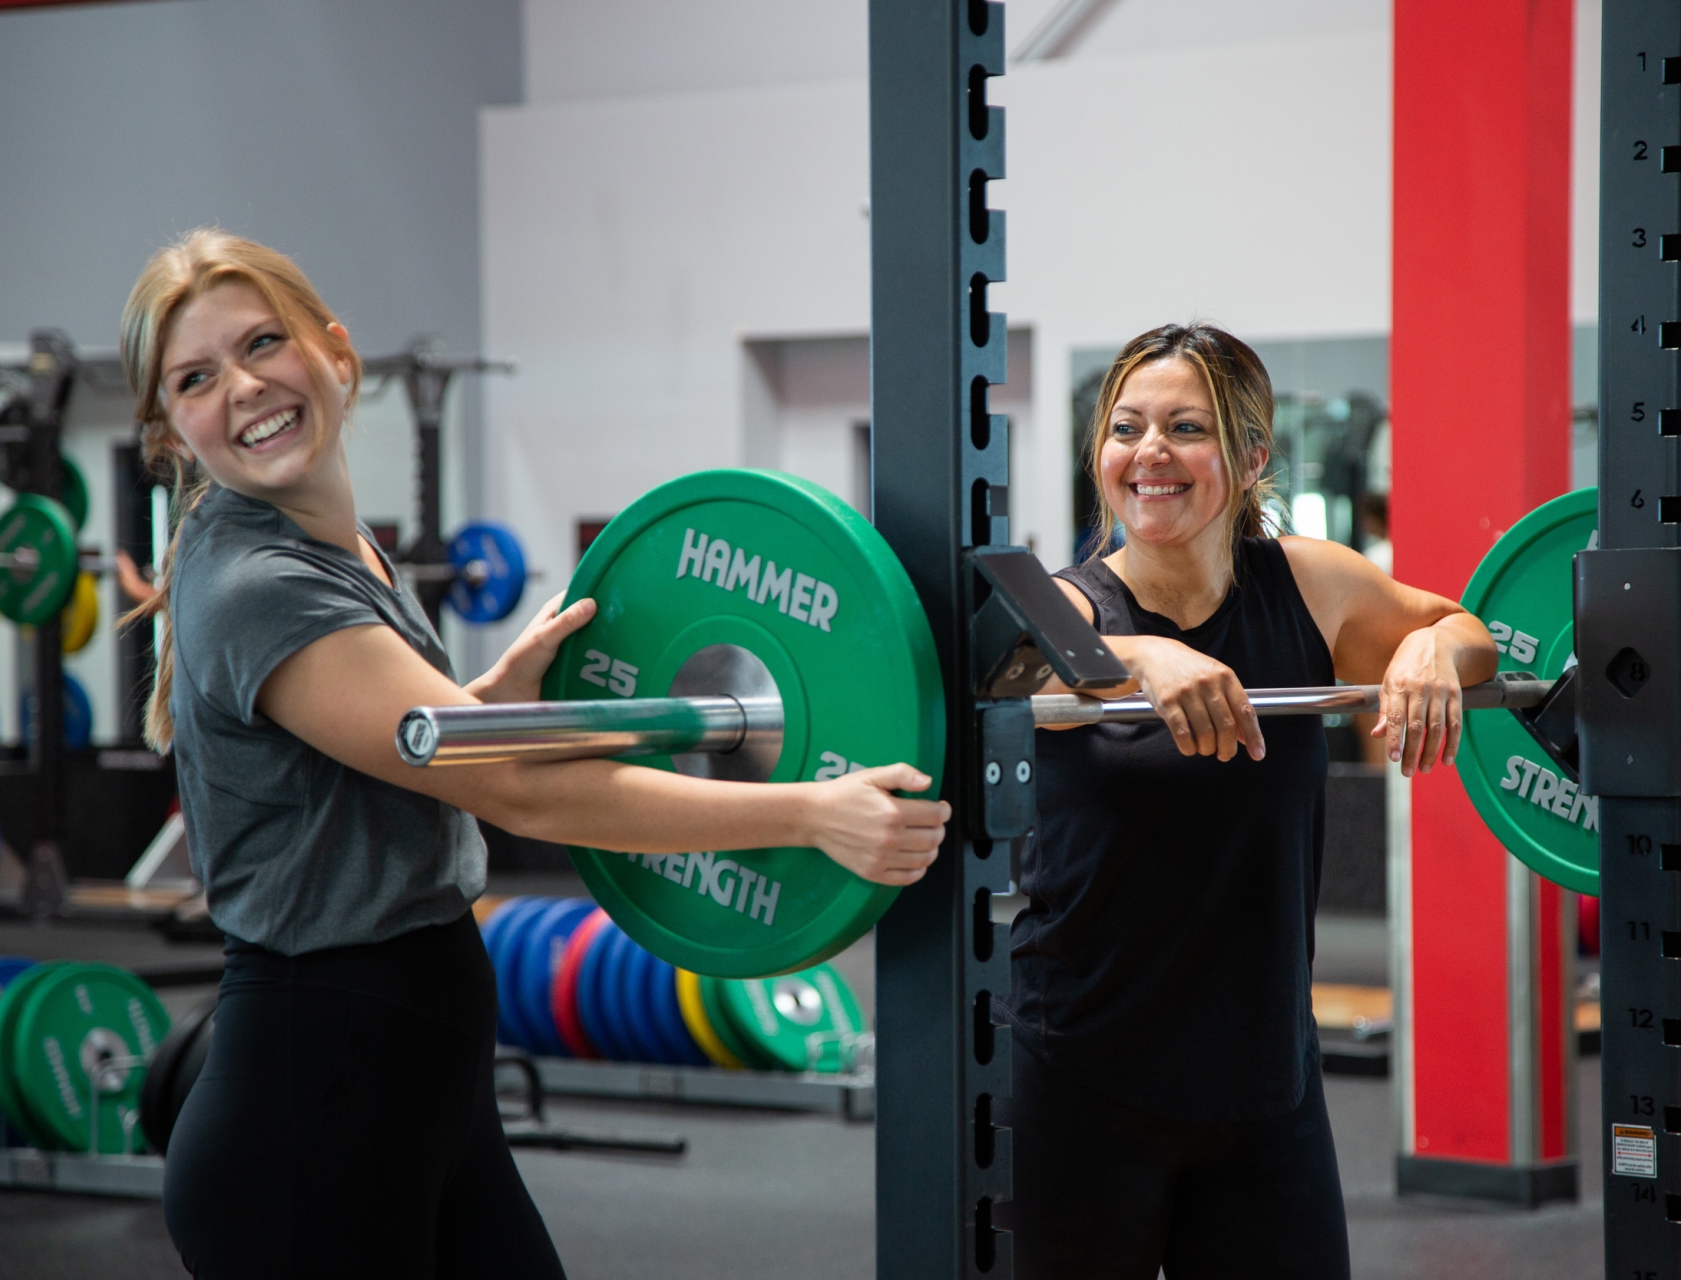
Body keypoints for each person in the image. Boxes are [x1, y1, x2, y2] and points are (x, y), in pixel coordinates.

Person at [121, 229, 949, 1280]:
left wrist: (482, 702)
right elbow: (518, 793)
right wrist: (809, 812)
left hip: (418, 1082)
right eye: (197, 377)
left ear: (335, 352)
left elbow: (379, 775)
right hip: (311, 1107)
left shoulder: (335, 543)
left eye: (262, 343)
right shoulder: (259, 583)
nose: (242, 387)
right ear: (168, 427)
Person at [1010, 324, 1495, 1279]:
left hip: (1266, 1082)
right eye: (1126, 428)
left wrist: (1435, 648)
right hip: (1082, 1080)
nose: (1149, 453)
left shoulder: (1309, 585)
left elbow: (1468, 627)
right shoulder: (1070, 610)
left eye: (1186, 428)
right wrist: (1144, 657)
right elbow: (1013, 670)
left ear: (1251, 453)